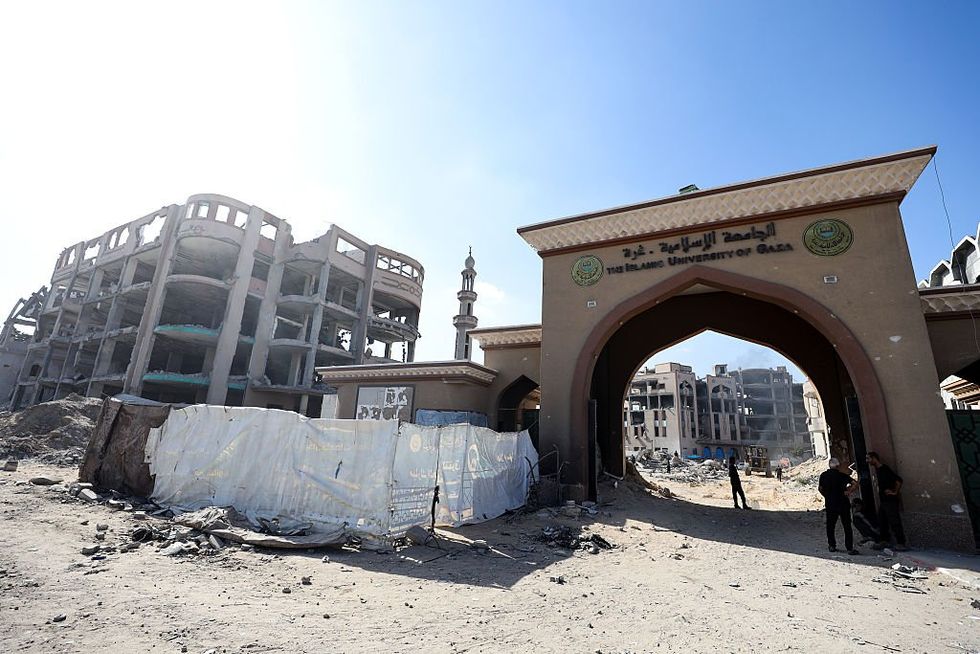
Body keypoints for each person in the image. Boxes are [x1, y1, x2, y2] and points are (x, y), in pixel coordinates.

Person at [866, 451, 908, 551]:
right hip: (884, 501)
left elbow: (898, 480)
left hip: (890, 501)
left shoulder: (884, 469)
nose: (867, 461)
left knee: (894, 522)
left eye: (868, 458)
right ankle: (884, 540)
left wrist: (894, 492)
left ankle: (901, 543)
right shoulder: (878, 470)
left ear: (874, 458)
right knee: (882, 520)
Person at [818, 458, 859, 554]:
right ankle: (849, 548)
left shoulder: (823, 476)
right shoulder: (842, 476)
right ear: (838, 466)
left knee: (830, 526)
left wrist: (827, 496)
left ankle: (832, 545)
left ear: (829, 465)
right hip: (843, 503)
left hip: (830, 504)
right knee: (847, 526)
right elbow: (855, 483)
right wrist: (849, 491)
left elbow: (820, 488)